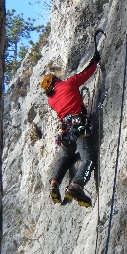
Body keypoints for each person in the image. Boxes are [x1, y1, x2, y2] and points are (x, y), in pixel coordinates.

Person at [40, 49, 101, 207]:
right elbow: (86, 74)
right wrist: (95, 60)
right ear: (55, 80)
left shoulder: (51, 102)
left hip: (66, 132)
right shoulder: (68, 84)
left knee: (67, 157)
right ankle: (76, 186)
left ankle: (54, 182)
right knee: (88, 159)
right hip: (78, 126)